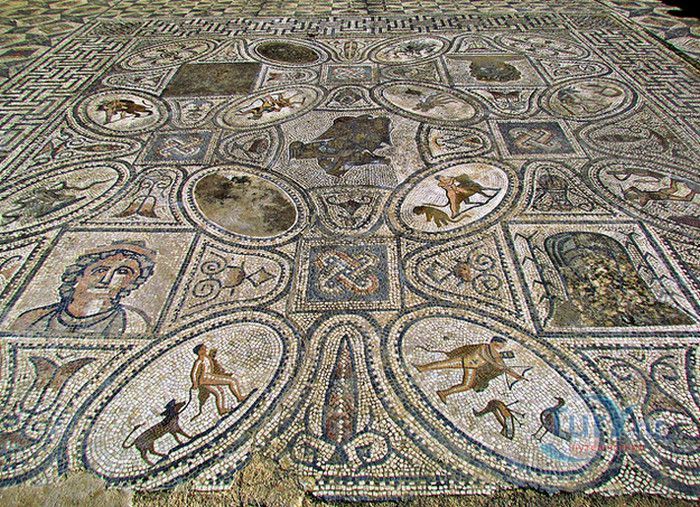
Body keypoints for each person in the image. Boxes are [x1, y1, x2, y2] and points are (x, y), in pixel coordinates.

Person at [11, 241, 156, 336]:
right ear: (78, 276)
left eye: (122, 272)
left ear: (129, 284)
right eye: (100, 270)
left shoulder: (133, 322)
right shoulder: (32, 319)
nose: (106, 279)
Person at [415, 336, 525, 403]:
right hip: (465, 360)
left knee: (467, 385)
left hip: (472, 367)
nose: (499, 348)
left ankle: (444, 393)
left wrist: (516, 376)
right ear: (492, 342)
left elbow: (505, 368)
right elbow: (484, 355)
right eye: (498, 345)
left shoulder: (497, 356)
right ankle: (422, 368)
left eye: (501, 347)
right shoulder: (484, 347)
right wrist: (495, 363)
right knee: (443, 364)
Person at [190, 344, 252, 417]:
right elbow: (193, 373)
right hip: (206, 379)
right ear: (199, 352)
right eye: (203, 348)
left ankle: (222, 410)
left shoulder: (206, 358)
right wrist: (195, 383)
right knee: (232, 381)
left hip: (208, 378)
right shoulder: (199, 361)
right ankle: (240, 397)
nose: (206, 349)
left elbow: (212, 366)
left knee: (220, 392)